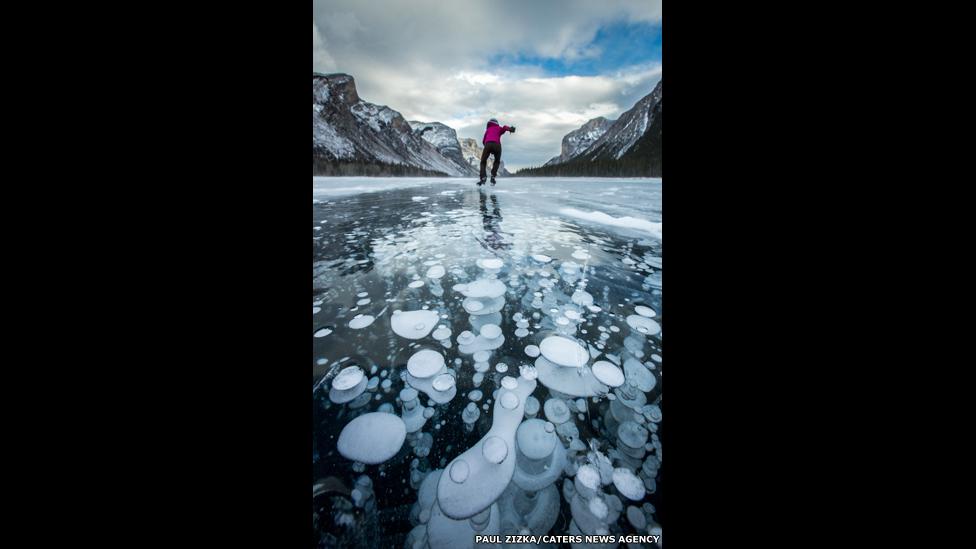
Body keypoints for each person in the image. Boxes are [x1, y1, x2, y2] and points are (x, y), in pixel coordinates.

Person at [479, 118, 515, 186]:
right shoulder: (499, 128)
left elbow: (483, 141)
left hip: (488, 144)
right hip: (497, 145)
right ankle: (493, 177)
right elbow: (504, 127)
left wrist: (488, 148)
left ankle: (483, 177)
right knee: (497, 161)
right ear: (497, 123)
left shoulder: (488, 130)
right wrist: (510, 129)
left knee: (483, 162)